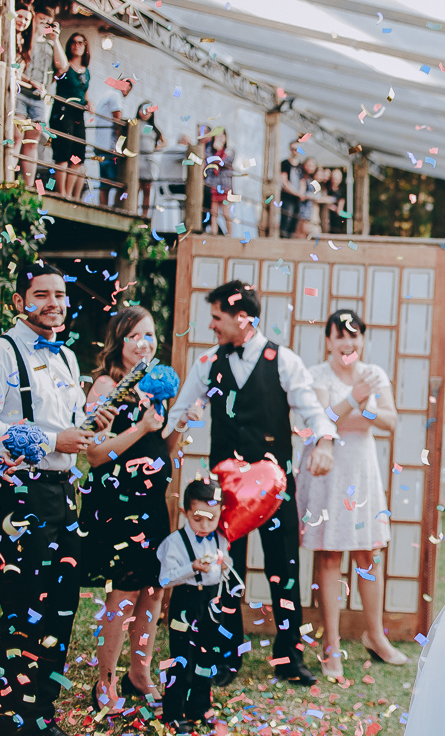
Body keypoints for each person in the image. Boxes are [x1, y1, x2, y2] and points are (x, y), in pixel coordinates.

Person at [166, 280, 335, 687]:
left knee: (285, 568)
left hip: (276, 487)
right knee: (227, 569)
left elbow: (313, 411)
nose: (211, 325)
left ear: (242, 318)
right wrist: (180, 422)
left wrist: (325, 442)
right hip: (224, 492)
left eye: (217, 317)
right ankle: (226, 656)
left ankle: (289, 655)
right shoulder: (208, 362)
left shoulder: (284, 360)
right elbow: (180, 412)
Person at [0, 263, 115, 736]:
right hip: (20, 495)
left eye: (60, 295)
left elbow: (72, 427)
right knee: (21, 605)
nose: (54, 303)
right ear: (19, 302)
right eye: (42, 294)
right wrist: (52, 442)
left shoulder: (67, 357)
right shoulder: (4, 351)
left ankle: (42, 712)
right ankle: (12, 717)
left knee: (61, 603)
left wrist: (92, 423)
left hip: (64, 494)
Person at [297, 309, 408, 679]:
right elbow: (320, 420)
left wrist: (355, 409)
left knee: (368, 554)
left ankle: (375, 635)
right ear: (328, 340)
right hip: (327, 473)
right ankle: (331, 647)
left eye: (354, 334)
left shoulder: (374, 374)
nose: (347, 342)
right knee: (329, 556)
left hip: (362, 472)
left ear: (362, 338)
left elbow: (390, 421)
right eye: (340, 335)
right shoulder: (317, 375)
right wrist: (356, 400)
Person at [79, 307, 173, 706]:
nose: (143, 343)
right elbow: (95, 454)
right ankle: (105, 681)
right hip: (119, 505)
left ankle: (139, 673)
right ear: (118, 341)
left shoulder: (154, 387)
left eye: (149, 335)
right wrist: (142, 426)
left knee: (154, 590)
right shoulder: (106, 386)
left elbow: (160, 445)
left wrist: (180, 424)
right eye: (133, 335)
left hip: (153, 503)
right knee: (125, 593)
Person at [156, 477, 231, 734]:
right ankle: (174, 712)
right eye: (198, 519)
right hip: (185, 601)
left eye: (212, 518)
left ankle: (199, 707)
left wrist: (225, 566)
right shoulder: (174, 542)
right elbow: (164, 579)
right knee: (182, 658)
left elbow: (225, 568)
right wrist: (191, 568)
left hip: (211, 602)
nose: (205, 525)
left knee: (206, 656)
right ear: (185, 512)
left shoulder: (220, 540)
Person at [16, 2, 67, 187]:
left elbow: (63, 67)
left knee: (32, 140)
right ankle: (9, 177)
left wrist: (55, 39)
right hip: (21, 92)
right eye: (41, 20)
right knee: (16, 135)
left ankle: (28, 184)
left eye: (48, 21)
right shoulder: (24, 40)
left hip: (38, 98)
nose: (44, 24)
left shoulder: (50, 44)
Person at [48, 32, 90, 200]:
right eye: (74, 42)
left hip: (78, 114)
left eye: (81, 42)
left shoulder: (86, 71)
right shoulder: (65, 66)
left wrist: (89, 102)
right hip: (63, 111)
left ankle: (69, 193)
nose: (77, 45)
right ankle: (61, 193)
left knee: (77, 156)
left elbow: (83, 92)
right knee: (63, 152)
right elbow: (58, 72)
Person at [91, 76, 134, 207]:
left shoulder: (106, 95)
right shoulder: (116, 96)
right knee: (117, 182)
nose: (126, 90)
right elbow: (118, 122)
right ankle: (116, 208)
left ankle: (103, 207)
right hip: (109, 147)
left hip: (100, 145)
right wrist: (120, 145)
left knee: (104, 182)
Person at [134, 102, 165, 217]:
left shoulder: (150, 128)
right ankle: (134, 211)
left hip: (148, 162)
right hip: (137, 160)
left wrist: (155, 148)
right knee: (136, 188)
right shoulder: (135, 124)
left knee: (146, 189)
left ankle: (144, 214)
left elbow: (163, 141)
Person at [202, 129, 234, 235]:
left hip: (225, 187)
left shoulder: (230, 151)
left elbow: (224, 162)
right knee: (213, 213)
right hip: (214, 186)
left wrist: (218, 152)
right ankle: (214, 234)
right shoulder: (210, 151)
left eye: (222, 136)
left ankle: (230, 235)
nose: (220, 138)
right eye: (217, 136)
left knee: (226, 213)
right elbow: (207, 161)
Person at [278, 141, 305, 239]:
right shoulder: (285, 163)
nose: (295, 151)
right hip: (287, 197)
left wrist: (301, 193)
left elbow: (302, 181)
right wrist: (296, 193)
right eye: (293, 149)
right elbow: (284, 182)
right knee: (286, 220)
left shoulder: (300, 166)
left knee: (294, 222)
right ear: (290, 150)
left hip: (297, 199)